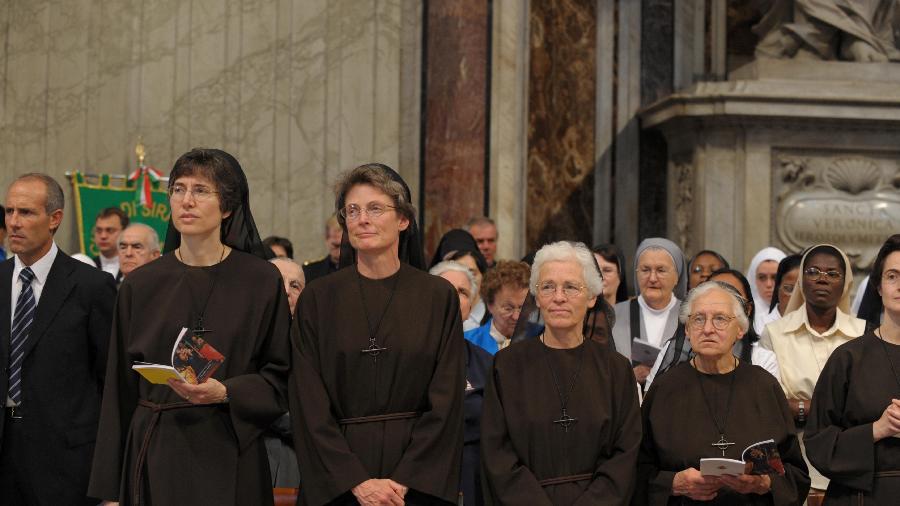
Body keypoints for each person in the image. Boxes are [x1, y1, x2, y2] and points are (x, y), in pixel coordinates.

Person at [88, 148, 292, 506]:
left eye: (201, 190)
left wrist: (227, 391)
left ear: (228, 207)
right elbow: (118, 388)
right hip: (156, 448)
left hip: (232, 447)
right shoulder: (141, 284)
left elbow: (280, 375)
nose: (186, 200)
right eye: (178, 189)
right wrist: (109, 490)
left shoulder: (260, 280)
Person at [290, 163, 464, 505]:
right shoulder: (318, 298)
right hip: (338, 481)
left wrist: (404, 479)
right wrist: (356, 481)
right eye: (352, 210)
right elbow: (307, 400)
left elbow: (447, 398)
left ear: (403, 220)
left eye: (374, 209)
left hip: (415, 484)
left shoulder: (436, 296)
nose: (361, 219)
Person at [481, 241, 641, 504]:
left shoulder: (616, 369)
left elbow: (626, 454)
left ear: (591, 297)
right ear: (537, 298)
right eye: (547, 287)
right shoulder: (507, 366)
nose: (558, 297)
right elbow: (497, 452)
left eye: (570, 287)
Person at [635, 281, 810, 505]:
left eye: (720, 319)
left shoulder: (764, 386)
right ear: (687, 330)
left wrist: (764, 483)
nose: (708, 328)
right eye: (698, 319)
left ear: (740, 329)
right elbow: (637, 469)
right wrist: (674, 483)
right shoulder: (664, 389)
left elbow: (795, 472)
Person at [0, 173, 117, 505]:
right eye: (9, 212)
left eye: (26, 212)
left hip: (65, 458)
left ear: (55, 219)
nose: (14, 223)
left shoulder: (91, 286)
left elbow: (109, 378)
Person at [760, 244, 865, 495]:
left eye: (832, 274)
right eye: (813, 271)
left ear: (845, 283)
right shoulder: (774, 334)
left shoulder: (863, 333)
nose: (822, 279)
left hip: (849, 467)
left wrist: (801, 407)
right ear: (801, 281)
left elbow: (864, 407)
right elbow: (768, 403)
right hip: (793, 465)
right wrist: (831, 411)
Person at [803, 234, 900, 504]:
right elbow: (817, 441)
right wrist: (877, 430)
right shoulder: (848, 358)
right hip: (860, 496)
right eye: (892, 276)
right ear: (879, 286)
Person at [430, 260, 492, 506]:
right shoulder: (406, 359)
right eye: (446, 288)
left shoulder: (486, 363)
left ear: (471, 304)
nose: (454, 297)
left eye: (463, 292)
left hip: (472, 479)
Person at [611, 238, 688, 386]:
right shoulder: (613, 316)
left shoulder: (690, 316)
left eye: (661, 270)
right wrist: (629, 377)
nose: (652, 278)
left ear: (677, 276)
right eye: (645, 270)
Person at [464, 260, 530, 355]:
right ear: (489, 305)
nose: (516, 317)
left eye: (523, 308)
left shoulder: (543, 341)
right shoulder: (467, 343)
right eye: (508, 308)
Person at [431, 229, 490, 331]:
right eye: (458, 273)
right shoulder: (429, 320)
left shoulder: (497, 317)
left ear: (482, 275)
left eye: (472, 272)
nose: (467, 280)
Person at [746, 247, 786, 334]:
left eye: (775, 277)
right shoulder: (745, 314)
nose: (769, 284)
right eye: (762, 277)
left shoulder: (798, 312)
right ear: (753, 280)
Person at [92, 207, 130, 283]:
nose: (103, 236)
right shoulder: (88, 266)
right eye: (99, 230)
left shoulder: (133, 267)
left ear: (125, 232)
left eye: (110, 230)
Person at [302, 214, 343, 283]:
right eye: (336, 245)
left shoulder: (362, 270)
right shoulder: (310, 271)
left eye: (343, 245)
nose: (340, 250)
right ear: (327, 239)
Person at [766, 254, 802, 325]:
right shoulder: (759, 326)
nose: (794, 297)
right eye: (789, 289)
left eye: (801, 290)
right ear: (778, 288)